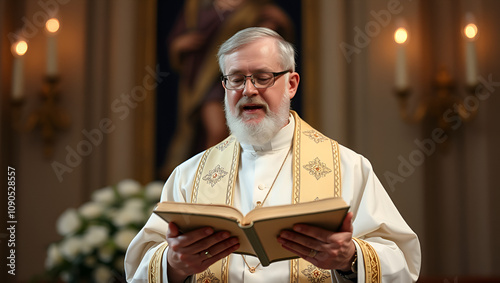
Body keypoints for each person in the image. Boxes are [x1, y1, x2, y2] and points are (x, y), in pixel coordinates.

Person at [125, 27, 421, 282]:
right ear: (225, 87)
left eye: (262, 77)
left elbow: (403, 265)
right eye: (236, 79)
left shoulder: (348, 167)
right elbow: (140, 267)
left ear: (291, 84)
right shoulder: (189, 175)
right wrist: (174, 266)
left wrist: (349, 257)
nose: (248, 90)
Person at [161, 0, 293, 178]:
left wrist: (265, 32)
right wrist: (180, 44)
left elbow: (274, 26)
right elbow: (178, 42)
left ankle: (242, 173)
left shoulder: (254, 7)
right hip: (208, 82)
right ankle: (211, 176)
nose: (249, 91)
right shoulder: (198, 8)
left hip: (237, 76)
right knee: (216, 131)